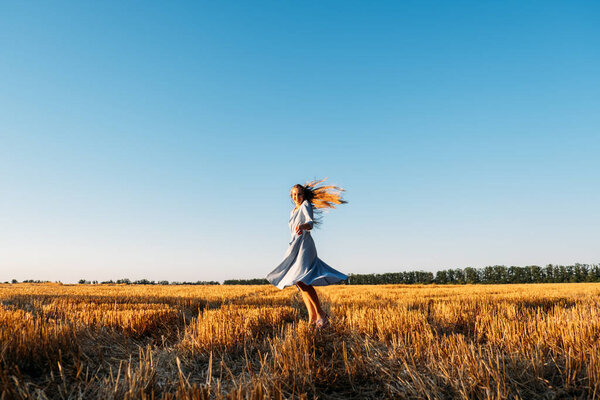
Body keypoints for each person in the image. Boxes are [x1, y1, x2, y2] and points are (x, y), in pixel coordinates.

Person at [266, 179, 348, 328]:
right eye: (294, 195)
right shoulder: (293, 211)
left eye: (299, 194)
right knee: (299, 282)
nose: (297, 197)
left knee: (303, 279)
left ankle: (322, 315)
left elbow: (310, 223)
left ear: (303, 195)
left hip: (305, 245)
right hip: (295, 246)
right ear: (291, 197)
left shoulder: (305, 205)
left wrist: (303, 226)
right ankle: (312, 319)